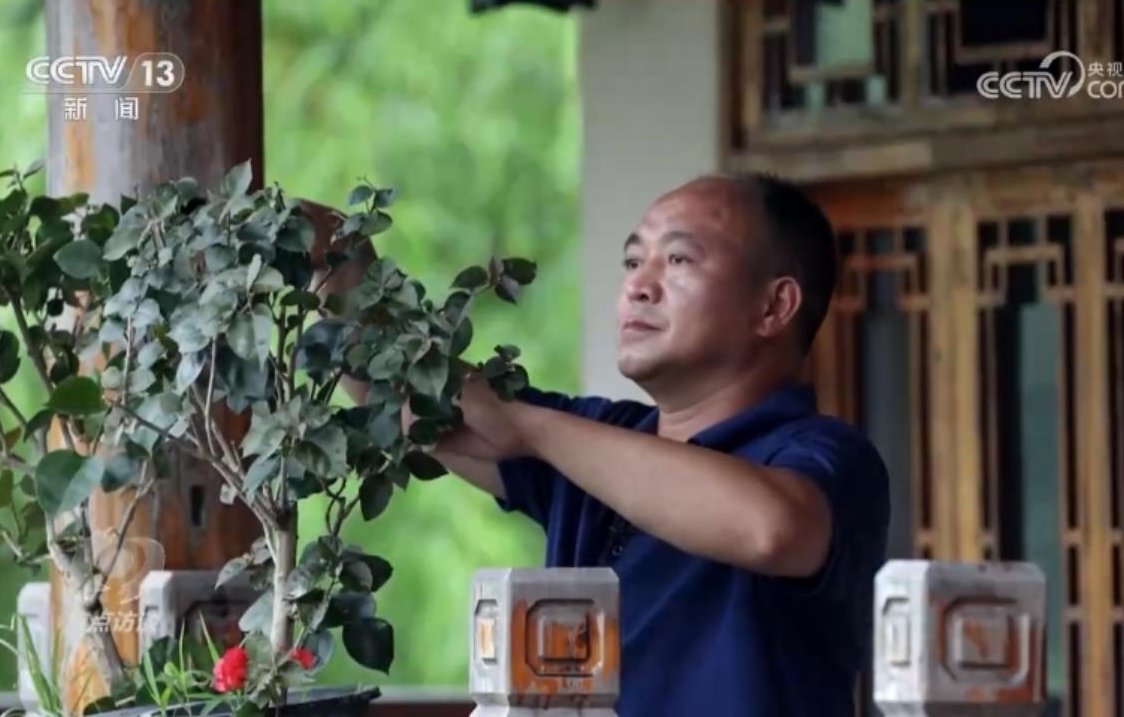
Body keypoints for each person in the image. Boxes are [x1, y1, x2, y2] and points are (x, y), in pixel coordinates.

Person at [316, 173, 891, 716]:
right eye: (634, 261)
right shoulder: (596, 435)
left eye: (679, 259)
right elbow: (401, 399)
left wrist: (532, 427)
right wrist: (336, 258)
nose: (638, 286)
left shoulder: (827, 456)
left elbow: (771, 530)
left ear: (773, 307)